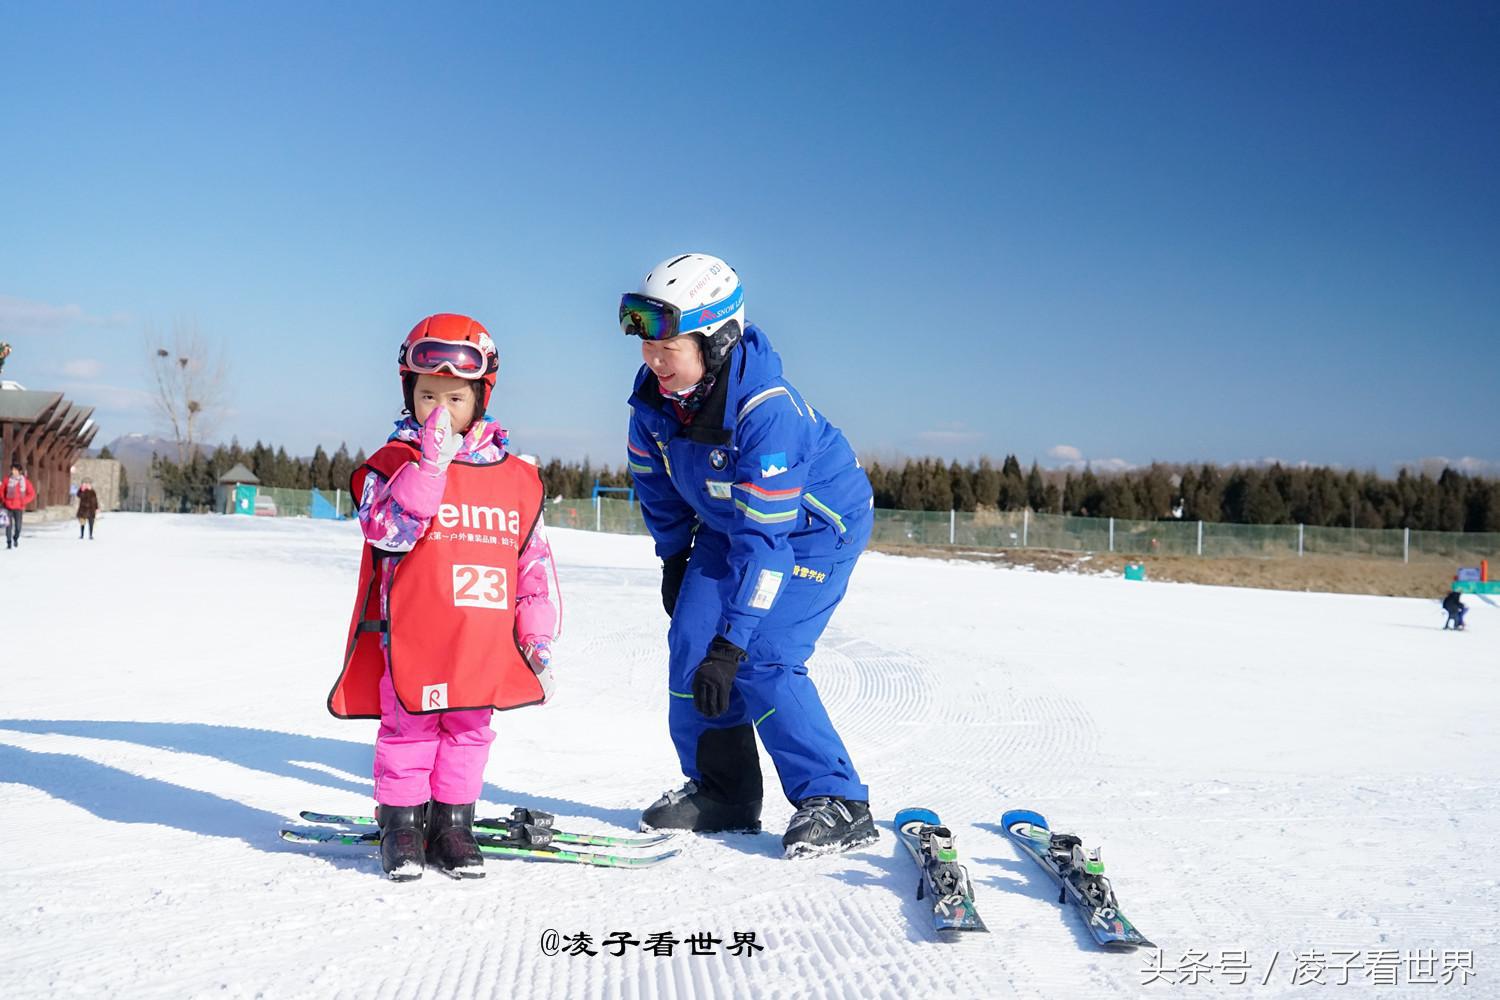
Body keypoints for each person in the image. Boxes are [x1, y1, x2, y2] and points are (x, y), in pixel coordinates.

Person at [621, 253, 877, 859]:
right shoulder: (654, 404)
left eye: (670, 348)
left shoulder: (768, 411)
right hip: (725, 525)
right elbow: (655, 486)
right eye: (649, 348)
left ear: (716, 341)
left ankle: (838, 799)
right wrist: (673, 558)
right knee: (689, 643)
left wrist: (731, 642)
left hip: (811, 531)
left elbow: (768, 544)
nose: (655, 361)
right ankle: (724, 791)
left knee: (761, 654)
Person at [327, 314, 560, 881]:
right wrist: (429, 465)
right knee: (409, 728)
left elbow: (532, 566)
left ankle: (454, 822)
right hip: (414, 637)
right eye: (426, 395)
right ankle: (401, 823)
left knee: (469, 730)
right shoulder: (393, 467)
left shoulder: (517, 479)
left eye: (454, 397)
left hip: (480, 641)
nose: (439, 411)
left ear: (480, 398)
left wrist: (536, 638)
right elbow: (387, 532)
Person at [4, 460, 36, 550]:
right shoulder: (7, 480)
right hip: (8, 506)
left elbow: (32, 493)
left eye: (15, 470)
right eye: (12, 470)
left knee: (18, 527)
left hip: (19, 507)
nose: (14, 471)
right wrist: (4, 500)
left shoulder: (25, 481)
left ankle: (15, 538)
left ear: (19, 471)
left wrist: (24, 501)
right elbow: (1, 491)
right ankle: (9, 542)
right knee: (8, 526)